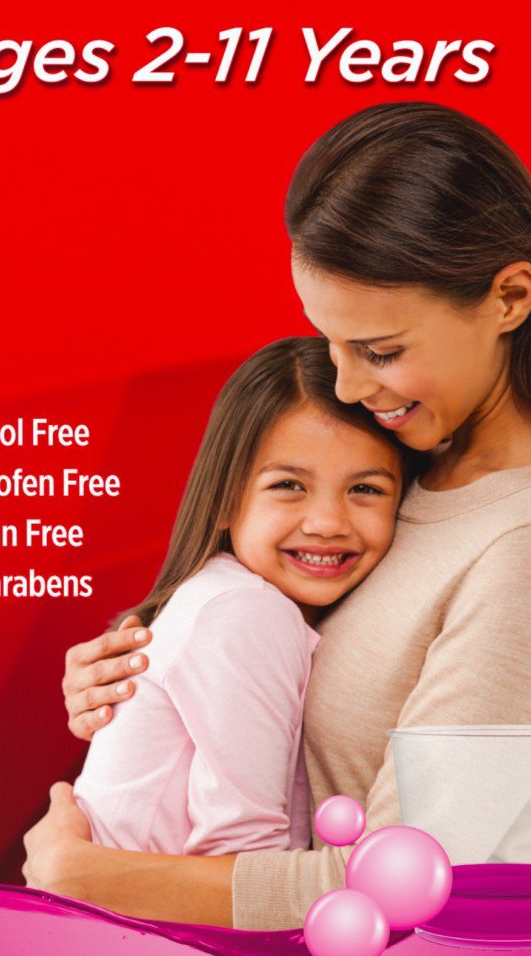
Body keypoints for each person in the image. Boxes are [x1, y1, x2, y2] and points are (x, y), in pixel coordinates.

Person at [25, 102, 531, 929]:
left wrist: (90, 876)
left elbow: (414, 880)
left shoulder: (528, 547)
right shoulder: (405, 459)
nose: (347, 386)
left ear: (510, 297)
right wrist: (146, 672)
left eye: (380, 351)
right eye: (329, 341)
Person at [71, 338, 405, 857]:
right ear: (225, 500)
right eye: (289, 484)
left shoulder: (231, 598)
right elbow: (244, 855)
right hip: (135, 907)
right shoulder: (246, 612)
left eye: (365, 489)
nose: (327, 523)